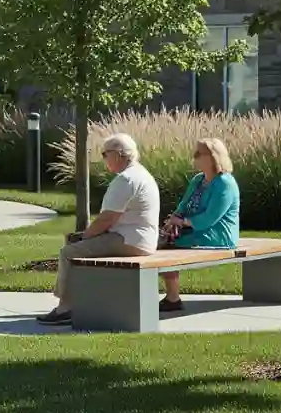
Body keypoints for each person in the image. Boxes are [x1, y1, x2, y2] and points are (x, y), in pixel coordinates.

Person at [38, 133, 160, 325]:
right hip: (140, 239)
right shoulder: (141, 174)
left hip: (128, 240)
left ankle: (65, 308)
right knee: (78, 243)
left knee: (69, 251)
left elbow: (107, 219)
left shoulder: (126, 179)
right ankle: (77, 302)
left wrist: (84, 236)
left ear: (119, 154)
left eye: (105, 154)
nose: (103, 158)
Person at [159, 137, 241, 312]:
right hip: (192, 229)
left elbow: (210, 218)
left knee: (167, 246)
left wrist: (182, 223)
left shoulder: (224, 183)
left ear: (213, 157)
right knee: (160, 239)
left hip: (218, 234)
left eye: (199, 153)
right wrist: (174, 219)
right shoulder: (198, 179)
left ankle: (172, 298)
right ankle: (170, 296)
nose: (194, 156)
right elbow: (184, 204)